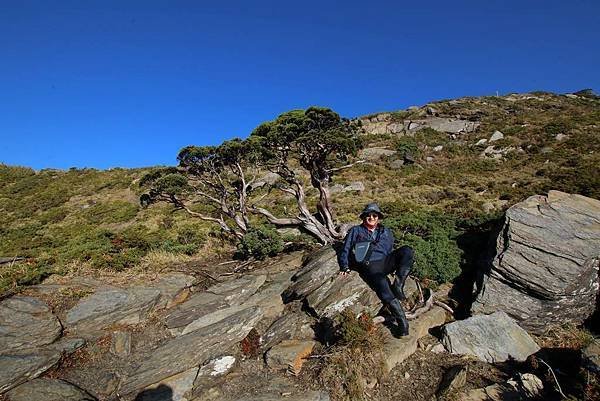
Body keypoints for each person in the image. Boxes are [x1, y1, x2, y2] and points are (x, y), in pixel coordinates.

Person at [337, 202, 414, 336]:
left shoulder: (385, 231)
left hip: (385, 262)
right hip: (369, 265)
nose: (371, 218)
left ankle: (398, 284)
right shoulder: (356, 230)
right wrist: (345, 266)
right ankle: (403, 323)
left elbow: (390, 248)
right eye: (369, 215)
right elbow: (346, 249)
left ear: (378, 217)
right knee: (383, 285)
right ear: (364, 217)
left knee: (407, 251)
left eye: (375, 215)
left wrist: (391, 264)